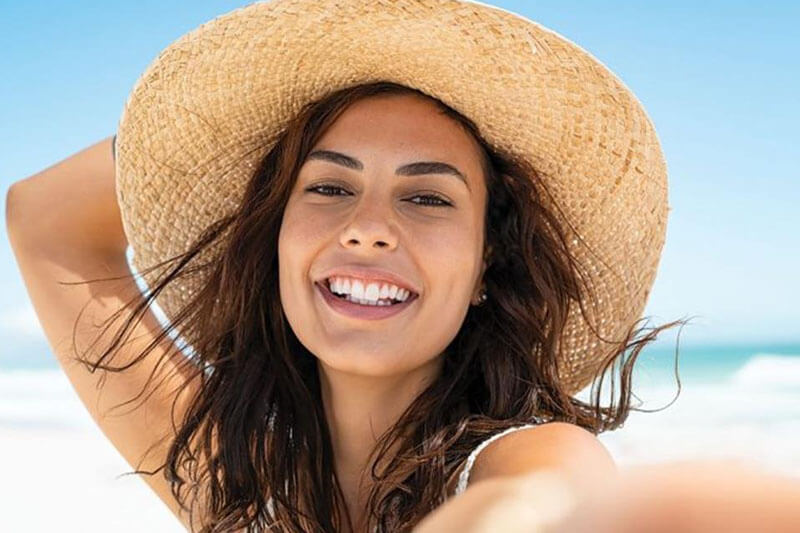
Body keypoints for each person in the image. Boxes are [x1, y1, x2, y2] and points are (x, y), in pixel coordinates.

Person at [6, 1, 800, 532]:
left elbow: (545, 502)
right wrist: (213, 135)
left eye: (428, 199)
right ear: (273, 233)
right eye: (328, 185)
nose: (369, 229)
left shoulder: (523, 455)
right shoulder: (244, 484)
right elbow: (43, 222)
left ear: (489, 262)